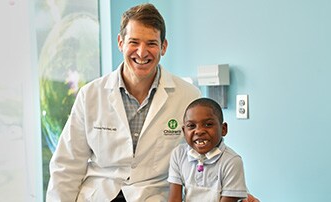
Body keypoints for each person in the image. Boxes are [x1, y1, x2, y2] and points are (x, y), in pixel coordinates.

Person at [46, 3, 259, 202]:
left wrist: (237, 193)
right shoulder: (90, 95)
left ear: (163, 47)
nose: (142, 52)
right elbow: (67, 165)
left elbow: (208, 154)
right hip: (99, 194)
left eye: (151, 43)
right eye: (134, 42)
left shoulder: (187, 96)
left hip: (153, 196)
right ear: (121, 43)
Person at [168, 98, 248, 202]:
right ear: (184, 131)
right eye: (191, 126)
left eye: (208, 124)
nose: (199, 131)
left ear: (223, 129)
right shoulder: (179, 154)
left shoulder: (232, 161)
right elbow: (174, 199)